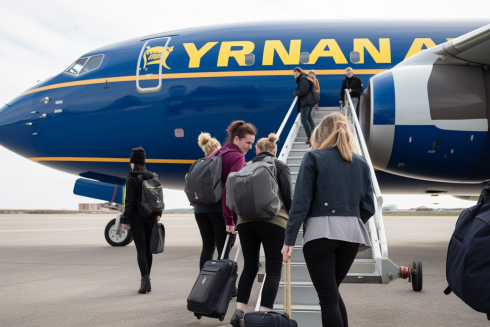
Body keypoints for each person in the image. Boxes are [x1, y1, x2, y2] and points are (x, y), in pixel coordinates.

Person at [281, 113, 375, 327]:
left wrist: (289, 240)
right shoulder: (360, 162)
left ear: (321, 133)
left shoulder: (313, 157)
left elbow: (301, 203)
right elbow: (369, 206)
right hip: (351, 236)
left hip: (320, 235)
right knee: (332, 294)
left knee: (328, 299)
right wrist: (350, 220)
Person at [230, 133, 293, 327]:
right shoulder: (279, 166)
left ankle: (238, 311)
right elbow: (289, 198)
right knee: (273, 269)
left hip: (245, 223)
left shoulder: (245, 167)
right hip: (274, 222)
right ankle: (263, 317)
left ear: (257, 150)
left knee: (249, 266)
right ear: (274, 151)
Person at [193, 122, 256, 272]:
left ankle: (205, 288)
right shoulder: (237, 157)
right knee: (223, 251)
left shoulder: (216, 152)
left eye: (252, 143)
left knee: (207, 247)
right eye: (247, 142)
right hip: (220, 210)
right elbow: (230, 187)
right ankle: (226, 289)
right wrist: (229, 218)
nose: (250, 147)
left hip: (200, 209)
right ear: (236, 139)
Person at [121, 147, 162, 294]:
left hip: (137, 219)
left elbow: (129, 202)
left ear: (133, 162)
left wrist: (125, 219)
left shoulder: (131, 179)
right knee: (148, 251)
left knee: (141, 250)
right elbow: (158, 198)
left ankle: (145, 282)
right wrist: (159, 214)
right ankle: (147, 280)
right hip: (151, 218)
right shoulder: (153, 177)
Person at [293, 67, 316, 145]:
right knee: (309, 118)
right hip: (310, 101)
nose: (294, 76)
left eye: (295, 74)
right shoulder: (306, 78)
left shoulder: (303, 79)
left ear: (298, 72)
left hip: (306, 101)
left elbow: (303, 91)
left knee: (303, 119)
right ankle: (314, 136)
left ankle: (310, 137)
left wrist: (296, 93)